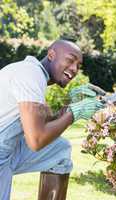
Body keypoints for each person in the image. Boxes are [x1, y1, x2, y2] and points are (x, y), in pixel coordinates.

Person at [0, 40, 103, 200]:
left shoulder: (36, 75)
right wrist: (74, 114)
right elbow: (36, 140)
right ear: (51, 54)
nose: (75, 69)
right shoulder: (30, 75)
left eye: (78, 65)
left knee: (59, 150)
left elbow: (46, 122)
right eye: (70, 60)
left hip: (8, 151)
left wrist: (71, 104)